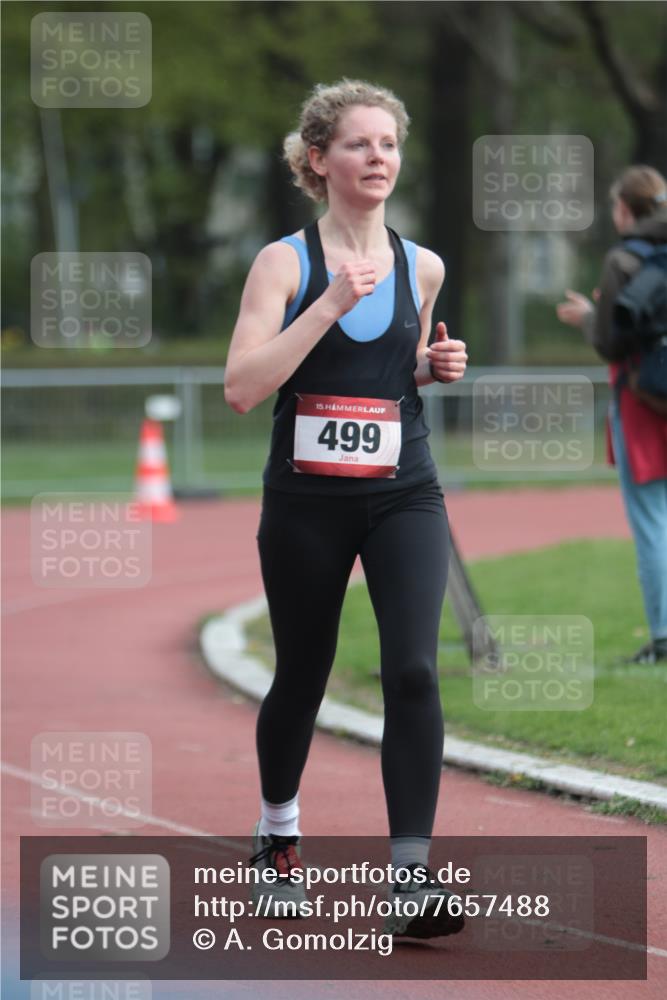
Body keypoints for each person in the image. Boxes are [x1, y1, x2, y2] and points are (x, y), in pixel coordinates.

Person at [224, 79, 468, 939]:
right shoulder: (283, 264)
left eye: (389, 144)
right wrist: (328, 302)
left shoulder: (422, 265)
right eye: (359, 144)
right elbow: (242, 388)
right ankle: (278, 837)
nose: (378, 158)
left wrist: (430, 372)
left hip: (404, 490)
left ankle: (409, 880)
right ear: (318, 160)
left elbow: (388, 376)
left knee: (412, 669)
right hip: (306, 503)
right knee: (302, 674)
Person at [556, 165, 667, 664]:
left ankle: (664, 637)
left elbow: (610, 341)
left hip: (643, 400)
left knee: (651, 522)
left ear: (625, 209)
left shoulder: (624, 259)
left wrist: (586, 317)